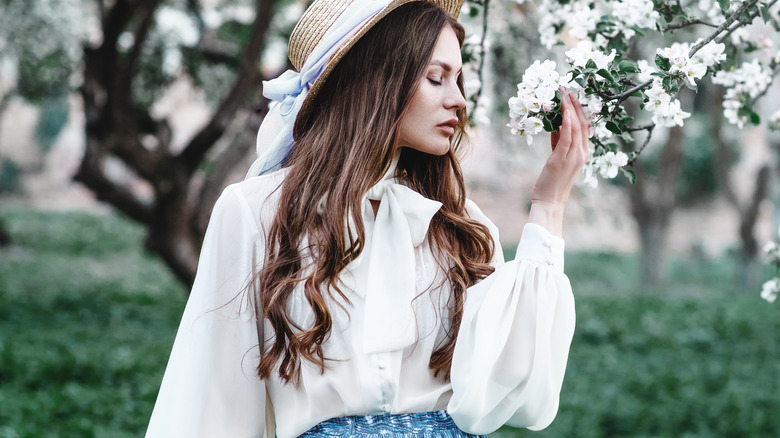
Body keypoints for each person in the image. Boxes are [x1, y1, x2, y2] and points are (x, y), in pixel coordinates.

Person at [146, 0, 589, 436]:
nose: (458, 100)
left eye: (459, 80)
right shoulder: (255, 211)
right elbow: (215, 404)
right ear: (376, 77)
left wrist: (549, 206)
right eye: (436, 78)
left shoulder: (459, 226)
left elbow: (516, 391)